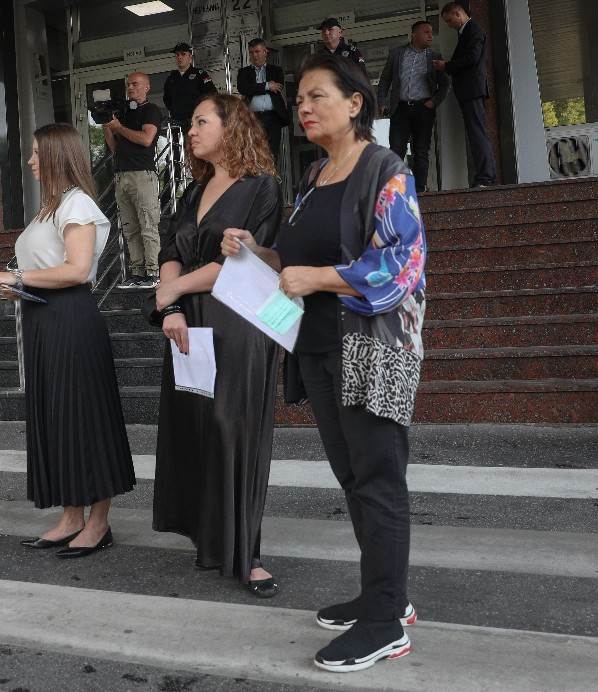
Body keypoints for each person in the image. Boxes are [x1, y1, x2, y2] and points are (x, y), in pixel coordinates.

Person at [223, 53, 425, 673]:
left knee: (378, 481)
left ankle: (387, 621)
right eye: (301, 100)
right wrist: (258, 250)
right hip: (317, 348)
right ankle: (381, 594)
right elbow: (295, 261)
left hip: (371, 349)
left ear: (356, 102)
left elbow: (401, 264)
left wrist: (320, 277)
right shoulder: (314, 177)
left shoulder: (385, 170)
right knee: (352, 478)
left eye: (317, 97)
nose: (303, 108)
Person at [0, 123, 135, 559]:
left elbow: (77, 269)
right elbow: (49, 269)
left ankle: (99, 522)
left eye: (36, 153)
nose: (30, 160)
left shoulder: (77, 203)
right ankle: (71, 517)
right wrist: (20, 288)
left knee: (83, 417)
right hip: (43, 319)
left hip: (70, 319)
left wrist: (16, 276)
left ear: (55, 155)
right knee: (57, 417)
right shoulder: (49, 208)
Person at [152, 93, 282, 596]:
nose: (191, 131)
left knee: (235, 429)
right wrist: (172, 307)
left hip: (239, 322)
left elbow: (244, 262)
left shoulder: (261, 187)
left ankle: (246, 552)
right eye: (190, 124)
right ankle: (211, 538)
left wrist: (175, 290)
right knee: (199, 426)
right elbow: (171, 249)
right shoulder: (194, 191)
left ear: (233, 127)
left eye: (201, 121)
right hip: (192, 322)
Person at [105, 71, 164, 290]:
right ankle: (138, 273)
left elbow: (147, 139)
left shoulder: (151, 110)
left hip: (142, 174)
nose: (131, 88)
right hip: (121, 174)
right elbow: (114, 149)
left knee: (148, 224)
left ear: (147, 87)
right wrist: (107, 126)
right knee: (130, 228)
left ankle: (154, 272)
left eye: (135, 84)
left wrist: (119, 128)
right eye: (128, 85)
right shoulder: (124, 114)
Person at [377, 20, 450, 192]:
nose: (431, 36)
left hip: (423, 109)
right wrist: (382, 101)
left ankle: (420, 189)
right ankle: (394, 189)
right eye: (426, 32)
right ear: (414, 34)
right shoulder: (397, 54)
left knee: (421, 150)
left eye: (431, 32)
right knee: (396, 149)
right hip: (400, 108)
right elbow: (385, 79)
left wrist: (433, 102)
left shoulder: (434, 57)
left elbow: (445, 85)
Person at [434, 1, 497, 187]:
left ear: (458, 13)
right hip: (469, 90)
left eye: (449, 20)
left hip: (472, 90)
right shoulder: (467, 32)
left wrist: (446, 66)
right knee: (476, 132)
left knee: (477, 133)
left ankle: (486, 177)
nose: (448, 25)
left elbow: (472, 58)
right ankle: (486, 175)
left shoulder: (473, 30)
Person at [236, 38, 291, 155]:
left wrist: (254, 88)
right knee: (256, 152)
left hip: (273, 117)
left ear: (265, 52)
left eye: (257, 51)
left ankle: (272, 174)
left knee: (273, 152)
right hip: (253, 118)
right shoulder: (244, 72)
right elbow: (243, 88)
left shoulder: (275, 70)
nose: (254, 55)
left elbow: (278, 87)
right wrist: (267, 86)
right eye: (251, 52)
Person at [163, 42, 217, 132]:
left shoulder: (200, 74)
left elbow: (212, 95)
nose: (179, 57)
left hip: (196, 121)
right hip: (177, 122)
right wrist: (176, 109)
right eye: (177, 55)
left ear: (190, 57)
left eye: (183, 54)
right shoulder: (171, 78)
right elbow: (167, 99)